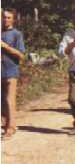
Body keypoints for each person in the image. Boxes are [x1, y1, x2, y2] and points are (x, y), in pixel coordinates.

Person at [1, 8, 25, 139]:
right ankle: (7, 124)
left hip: (11, 70)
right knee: (1, 101)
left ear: (13, 19)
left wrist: (5, 47)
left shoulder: (17, 34)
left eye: (9, 17)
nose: (5, 20)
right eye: (4, 17)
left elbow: (21, 55)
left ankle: (10, 128)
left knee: (9, 100)